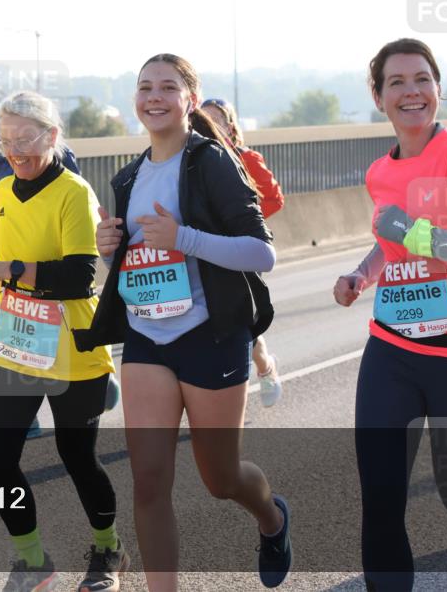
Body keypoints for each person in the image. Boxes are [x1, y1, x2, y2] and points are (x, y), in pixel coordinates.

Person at [75, 54, 292, 591]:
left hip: (211, 336)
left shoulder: (211, 162)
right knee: (148, 483)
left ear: (189, 101)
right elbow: (144, 259)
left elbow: (261, 254)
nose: (154, 96)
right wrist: (112, 251)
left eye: (167, 87)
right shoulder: (127, 177)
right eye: (145, 87)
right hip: (148, 337)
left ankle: (272, 518)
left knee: (221, 480)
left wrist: (184, 238)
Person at [0, 91, 127, 592]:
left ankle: (108, 548)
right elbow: (9, 262)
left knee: (77, 457)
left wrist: (2, 271)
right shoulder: (4, 189)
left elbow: (77, 275)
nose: (14, 151)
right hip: (17, 340)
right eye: (4, 140)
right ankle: (33, 561)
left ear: (51, 137)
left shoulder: (72, 191)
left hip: (73, 345)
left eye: (24, 139)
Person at [332, 38, 447, 591]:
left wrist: (411, 232)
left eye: (421, 79)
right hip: (391, 351)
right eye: (396, 82)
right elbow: (389, 244)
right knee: (383, 498)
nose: (411, 91)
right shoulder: (379, 173)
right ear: (378, 96)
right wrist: (362, 275)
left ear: (437, 89)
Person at [201, 97, 285, 407]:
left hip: (241, 252)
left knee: (241, 324)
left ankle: (265, 368)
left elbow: (275, 199)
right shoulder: (190, 159)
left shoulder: (246, 158)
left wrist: (243, 219)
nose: (207, 125)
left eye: (215, 119)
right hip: (204, 252)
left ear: (230, 127)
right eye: (201, 118)